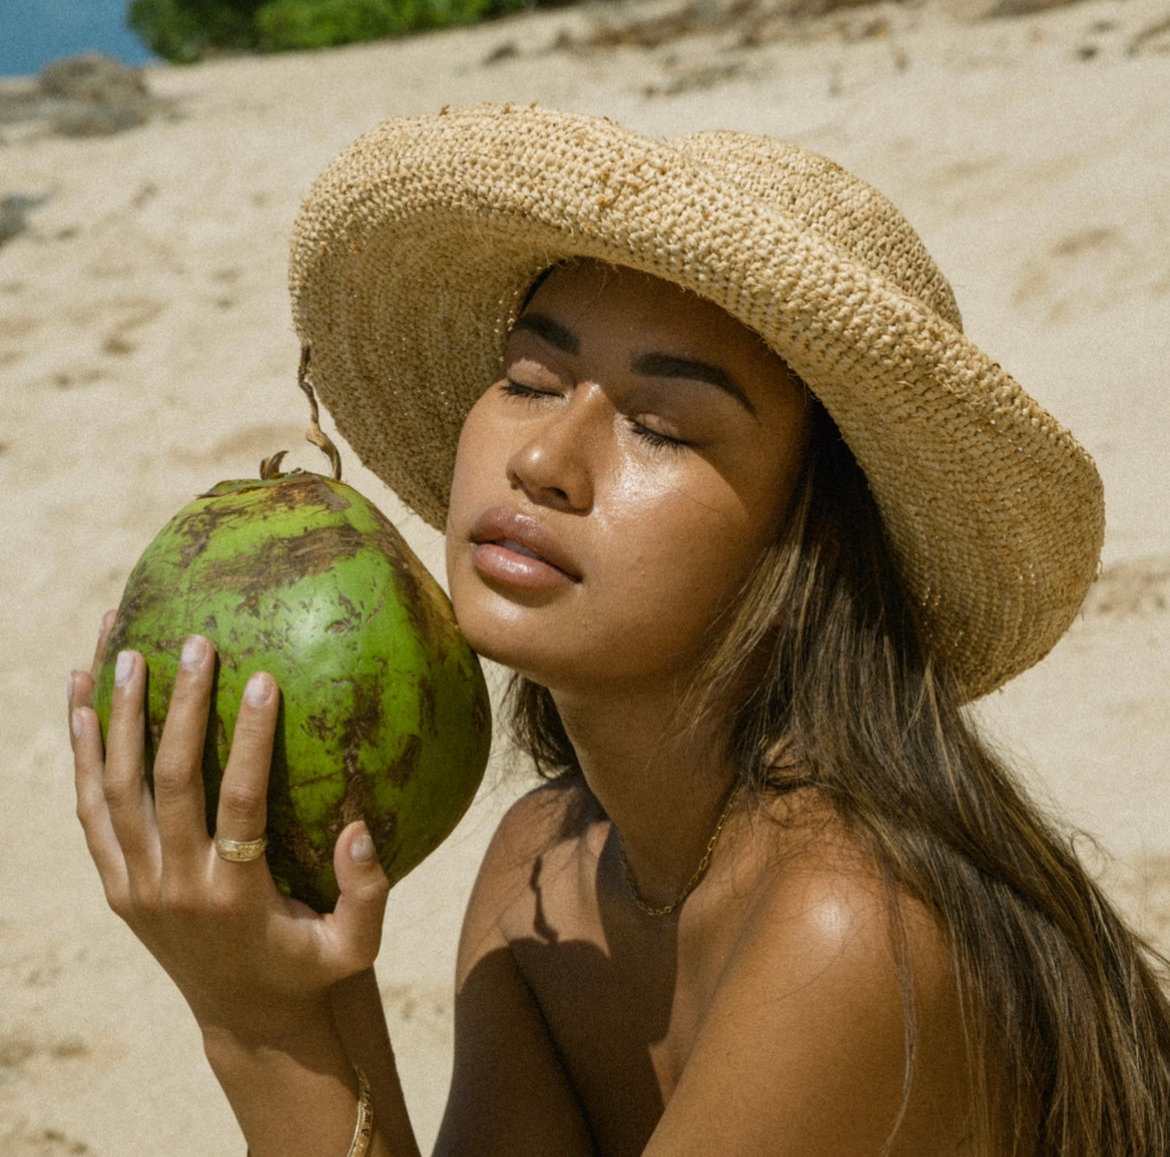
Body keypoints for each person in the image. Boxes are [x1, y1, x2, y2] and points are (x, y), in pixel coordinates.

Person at [68, 104, 1170, 1156]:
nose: (543, 458)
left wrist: (253, 1028)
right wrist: (301, 958)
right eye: (529, 379)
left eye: (661, 426)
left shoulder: (853, 929)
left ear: (811, 548)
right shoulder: (542, 872)